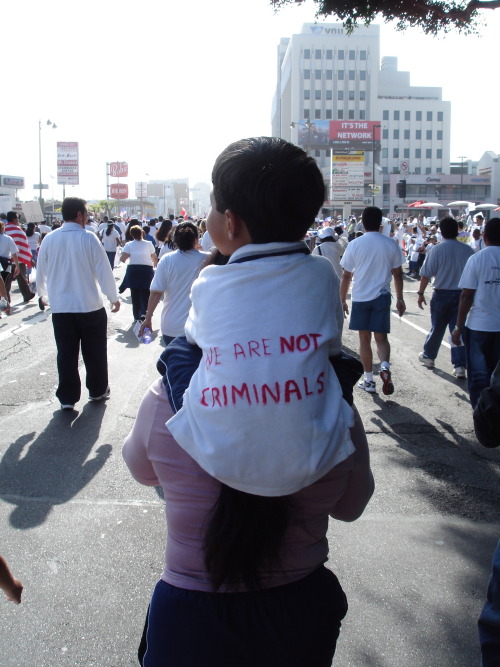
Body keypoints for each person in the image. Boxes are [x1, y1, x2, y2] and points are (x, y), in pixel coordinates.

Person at [124, 136, 374, 667]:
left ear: (230, 223)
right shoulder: (333, 413)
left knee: (175, 358)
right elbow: (351, 506)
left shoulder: (172, 404)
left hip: (189, 618)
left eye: (213, 203)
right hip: (299, 614)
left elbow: (141, 469)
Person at [36, 197, 120, 410]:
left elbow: (41, 271)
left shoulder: (49, 239)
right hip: (89, 305)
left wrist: (42, 294)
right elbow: (104, 271)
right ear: (80, 215)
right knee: (95, 352)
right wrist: (113, 298)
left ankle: (67, 398)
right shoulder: (88, 238)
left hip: (61, 308)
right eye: (86, 214)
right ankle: (98, 390)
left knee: (66, 353)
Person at [340, 206, 406, 395]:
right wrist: (400, 298)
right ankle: (384, 366)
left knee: (364, 339)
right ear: (380, 223)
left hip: (361, 297)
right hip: (382, 296)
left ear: (362, 222)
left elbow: (346, 276)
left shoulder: (355, 244)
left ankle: (369, 380)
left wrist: (342, 299)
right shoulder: (390, 243)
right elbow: (398, 274)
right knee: (381, 338)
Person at [451, 218, 500, 409]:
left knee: (479, 376)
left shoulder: (477, 258)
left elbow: (466, 296)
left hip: (479, 326)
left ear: (484, 237)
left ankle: (481, 417)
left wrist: (457, 327)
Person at [417, 216, 474, 379]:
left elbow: (426, 274)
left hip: (442, 293)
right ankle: (460, 365)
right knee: (458, 329)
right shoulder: (467, 250)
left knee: (437, 327)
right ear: (457, 230)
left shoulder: (437, 249)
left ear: (441, 231)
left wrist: (420, 293)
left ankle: (429, 356)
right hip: (463, 294)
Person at [138, 222, 208, 346]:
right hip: (201, 328)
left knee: (173, 364)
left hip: (172, 326)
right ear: (197, 239)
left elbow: (156, 292)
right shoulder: (208, 259)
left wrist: (148, 318)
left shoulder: (167, 260)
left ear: (174, 239)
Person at [120, 225, 157, 323]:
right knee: (146, 293)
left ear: (132, 235)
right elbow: (154, 257)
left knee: (134, 294)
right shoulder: (149, 244)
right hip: (146, 270)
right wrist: (154, 265)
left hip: (133, 270)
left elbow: (122, 259)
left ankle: (136, 316)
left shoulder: (129, 245)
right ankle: (144, 312)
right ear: (142, 233)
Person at [4, 211, 35, 303]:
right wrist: (29, 259)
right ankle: (27, 295)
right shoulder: (19, 230)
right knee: (22, 278)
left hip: (6, 260)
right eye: (17, 218)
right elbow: (24, 246)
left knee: (6, 281)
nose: (18, 220)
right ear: (14, 219)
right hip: (19, 260)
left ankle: (6, 299)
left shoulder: (4, 230)